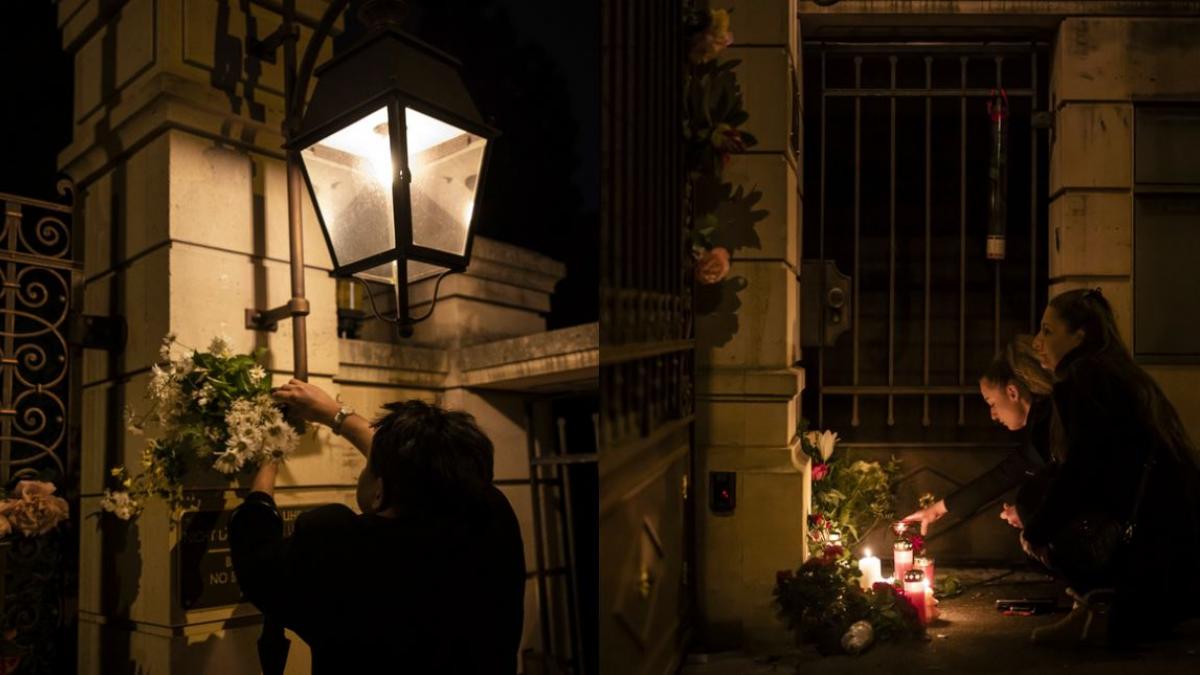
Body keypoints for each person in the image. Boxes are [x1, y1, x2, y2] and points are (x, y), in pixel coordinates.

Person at [229, 381, 526, 674]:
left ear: (380, 491)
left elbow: (256, 554)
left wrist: (271, 456)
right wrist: (336, 415)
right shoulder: (490, 520)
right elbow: (425, 470)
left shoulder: (339, 546)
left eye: (369, 467)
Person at [1021, 288, 1200, 645]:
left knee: (1035, 496)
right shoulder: (1114, 371)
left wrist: (1036, 530)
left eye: (1048, 331)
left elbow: (1084, 467)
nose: (1037, 342)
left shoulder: (1085, 379)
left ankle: (1096, 608)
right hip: (1172, 524)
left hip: (1150, 529)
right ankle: (1100, 609)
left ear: (1079, 336)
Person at [902, 335, 1055, 535]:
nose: (992, 415)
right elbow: (1003, 475)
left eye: (992, 403)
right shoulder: (1043, 422)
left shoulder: (1049, 425)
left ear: (1012, 392)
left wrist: (1027, 511)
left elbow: (1072, 484)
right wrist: (938, 508)